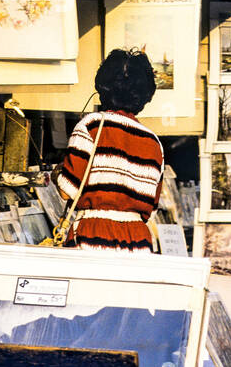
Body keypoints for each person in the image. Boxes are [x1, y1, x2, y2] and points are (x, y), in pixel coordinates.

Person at [56, 49, 165, 251]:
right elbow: (151, 206)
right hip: (138, 241)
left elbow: (66, 191)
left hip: (93, 236)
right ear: (145, 95)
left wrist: (58, 172)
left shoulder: (91, 126)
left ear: (102, 87)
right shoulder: (153, 142)